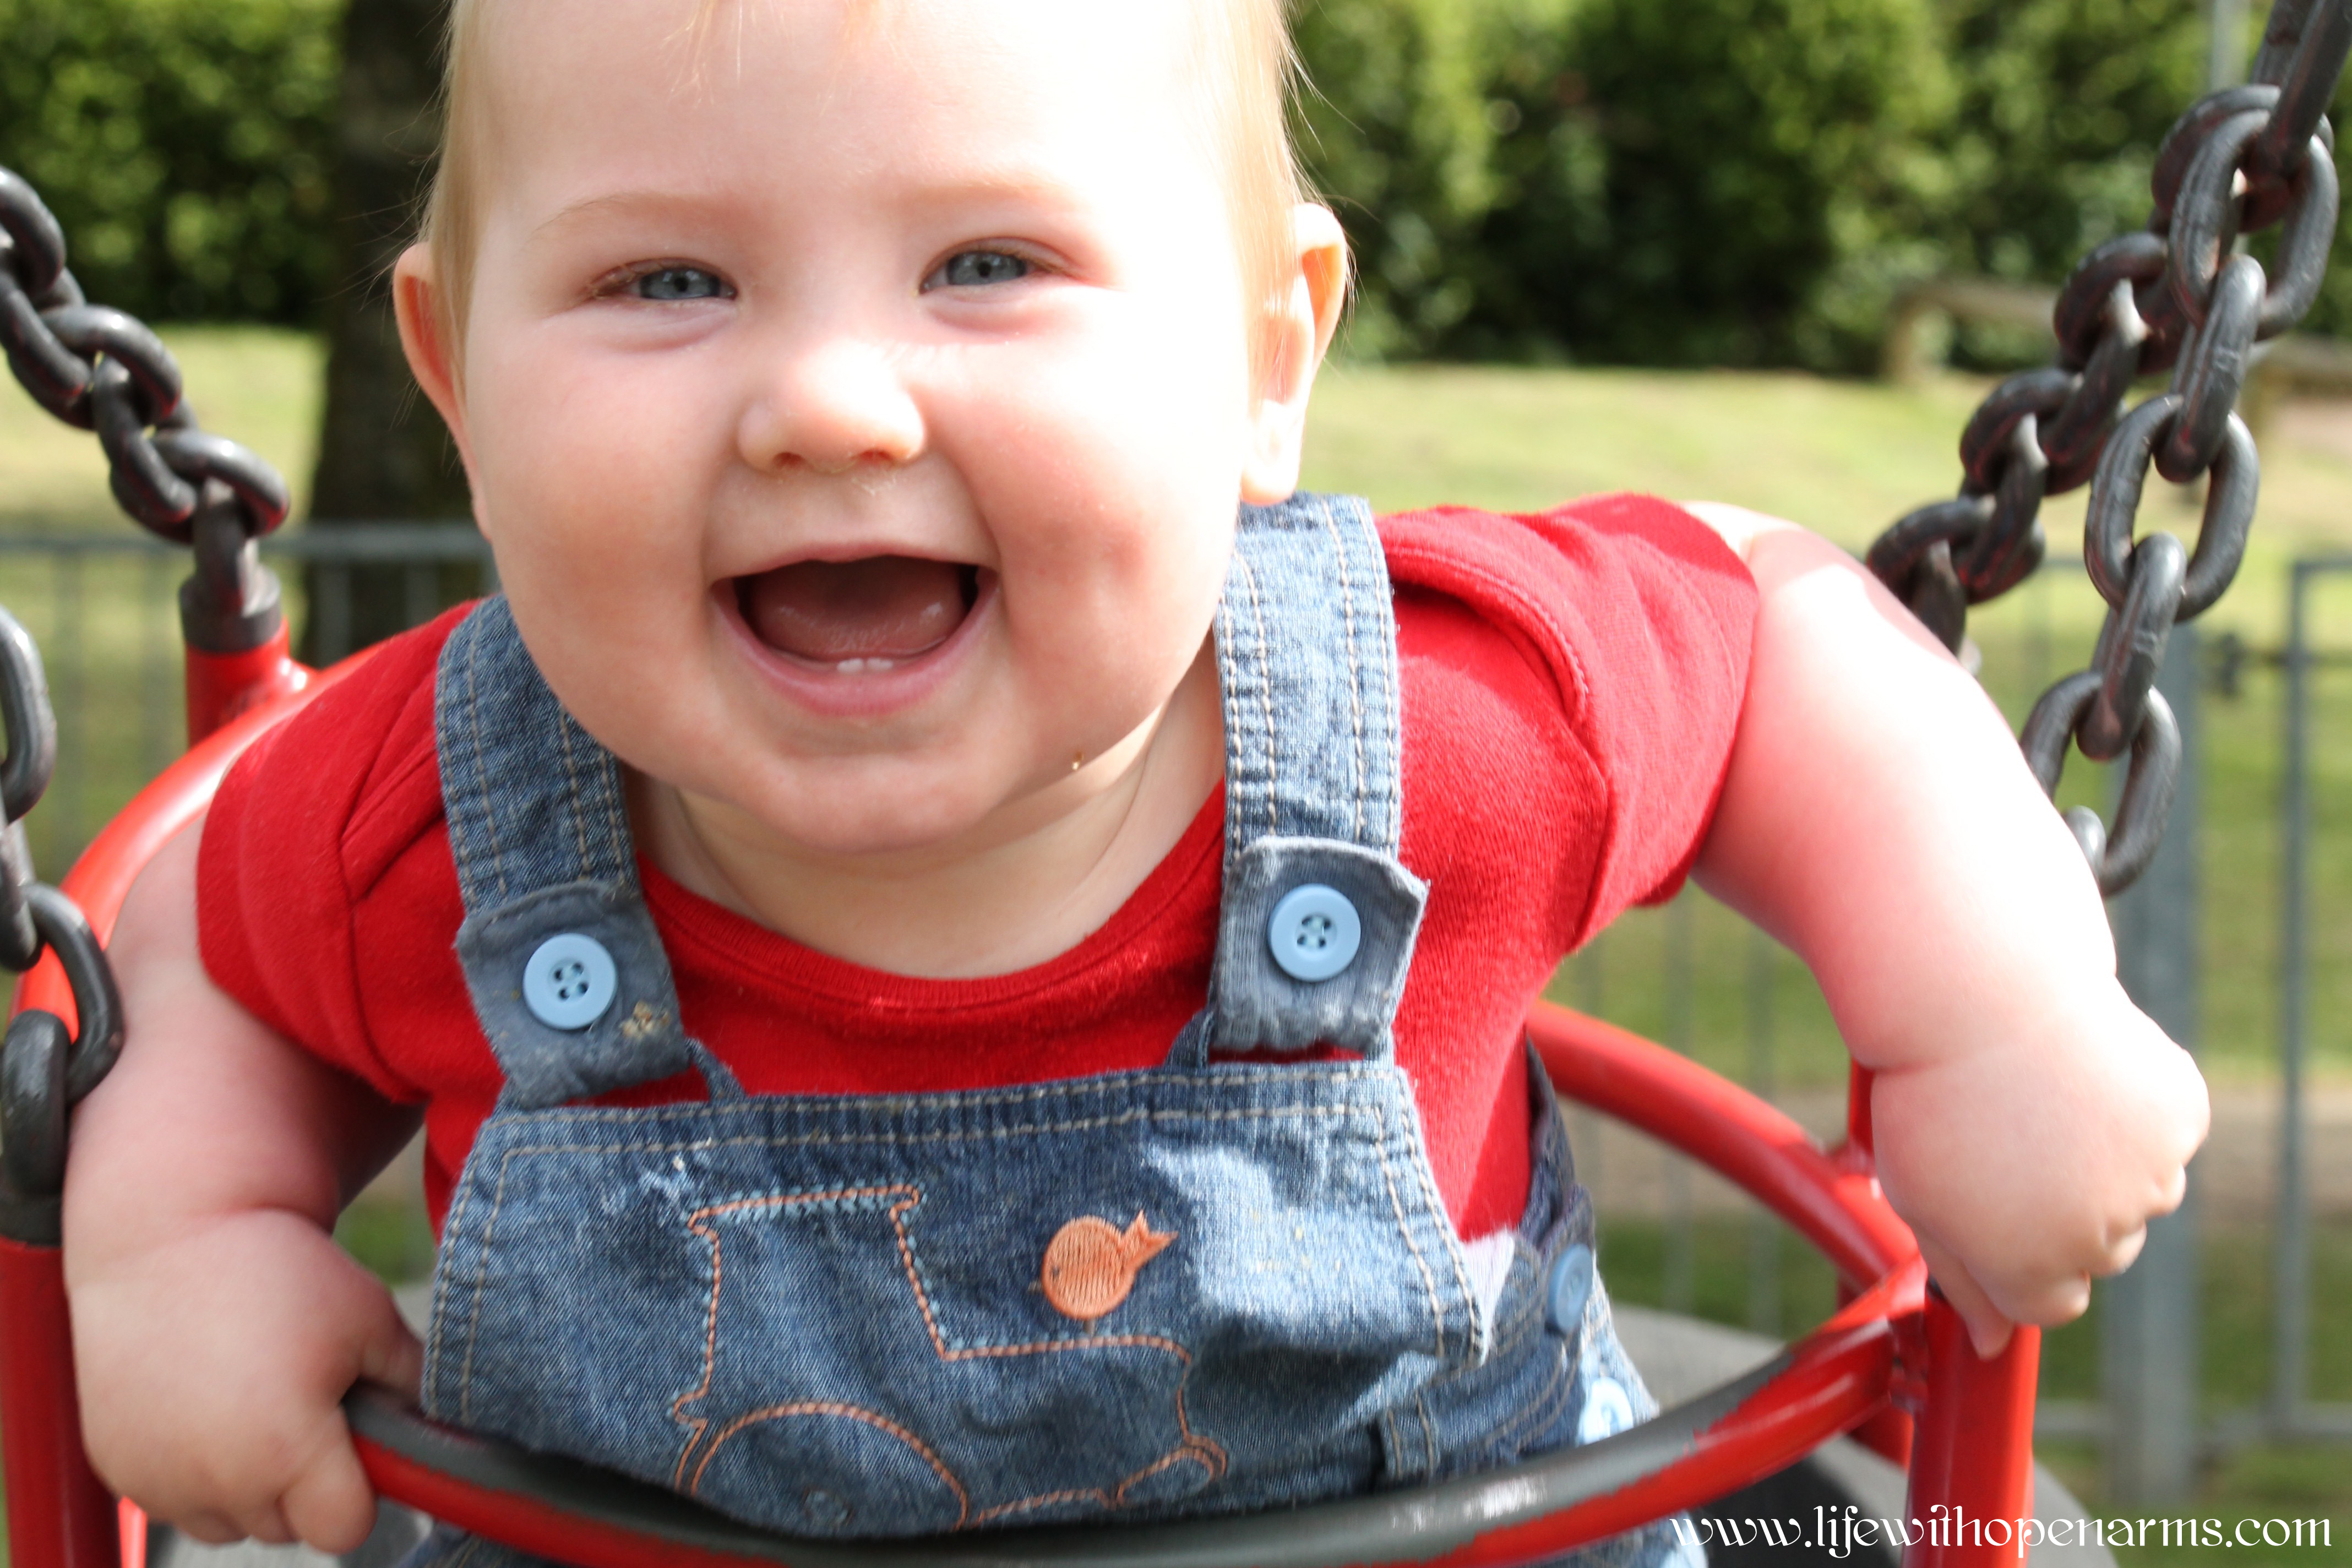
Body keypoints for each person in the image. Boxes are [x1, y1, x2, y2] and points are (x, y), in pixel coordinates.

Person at [62, 0, 2209, 1562]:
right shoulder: (430, 809)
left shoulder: (1444, 728)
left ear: (1268, 356)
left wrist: (1993, 1002)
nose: (825, 399)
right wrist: (191, 1230)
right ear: (453, 375)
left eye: (987, 263)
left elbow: (1766, 643)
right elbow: (212, 938)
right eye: (664, 281)